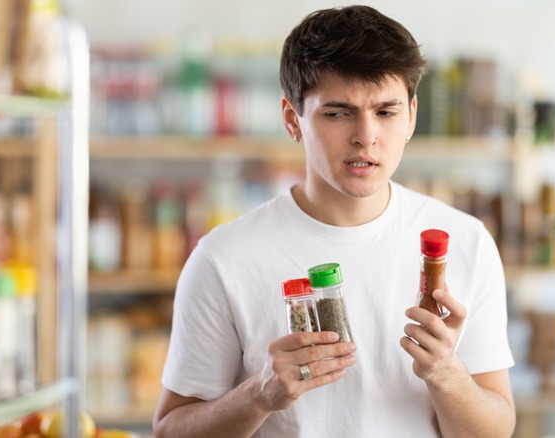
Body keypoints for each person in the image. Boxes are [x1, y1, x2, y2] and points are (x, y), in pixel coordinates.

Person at [152, 5, 515, 437]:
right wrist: (260, 395)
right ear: (293, 119)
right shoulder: (222, 258)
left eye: (386, 111)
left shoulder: (466, 242)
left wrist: (445, 372)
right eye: (338, 113)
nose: (366, 135)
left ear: (412, 116)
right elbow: (170, 430)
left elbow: (493, 431)